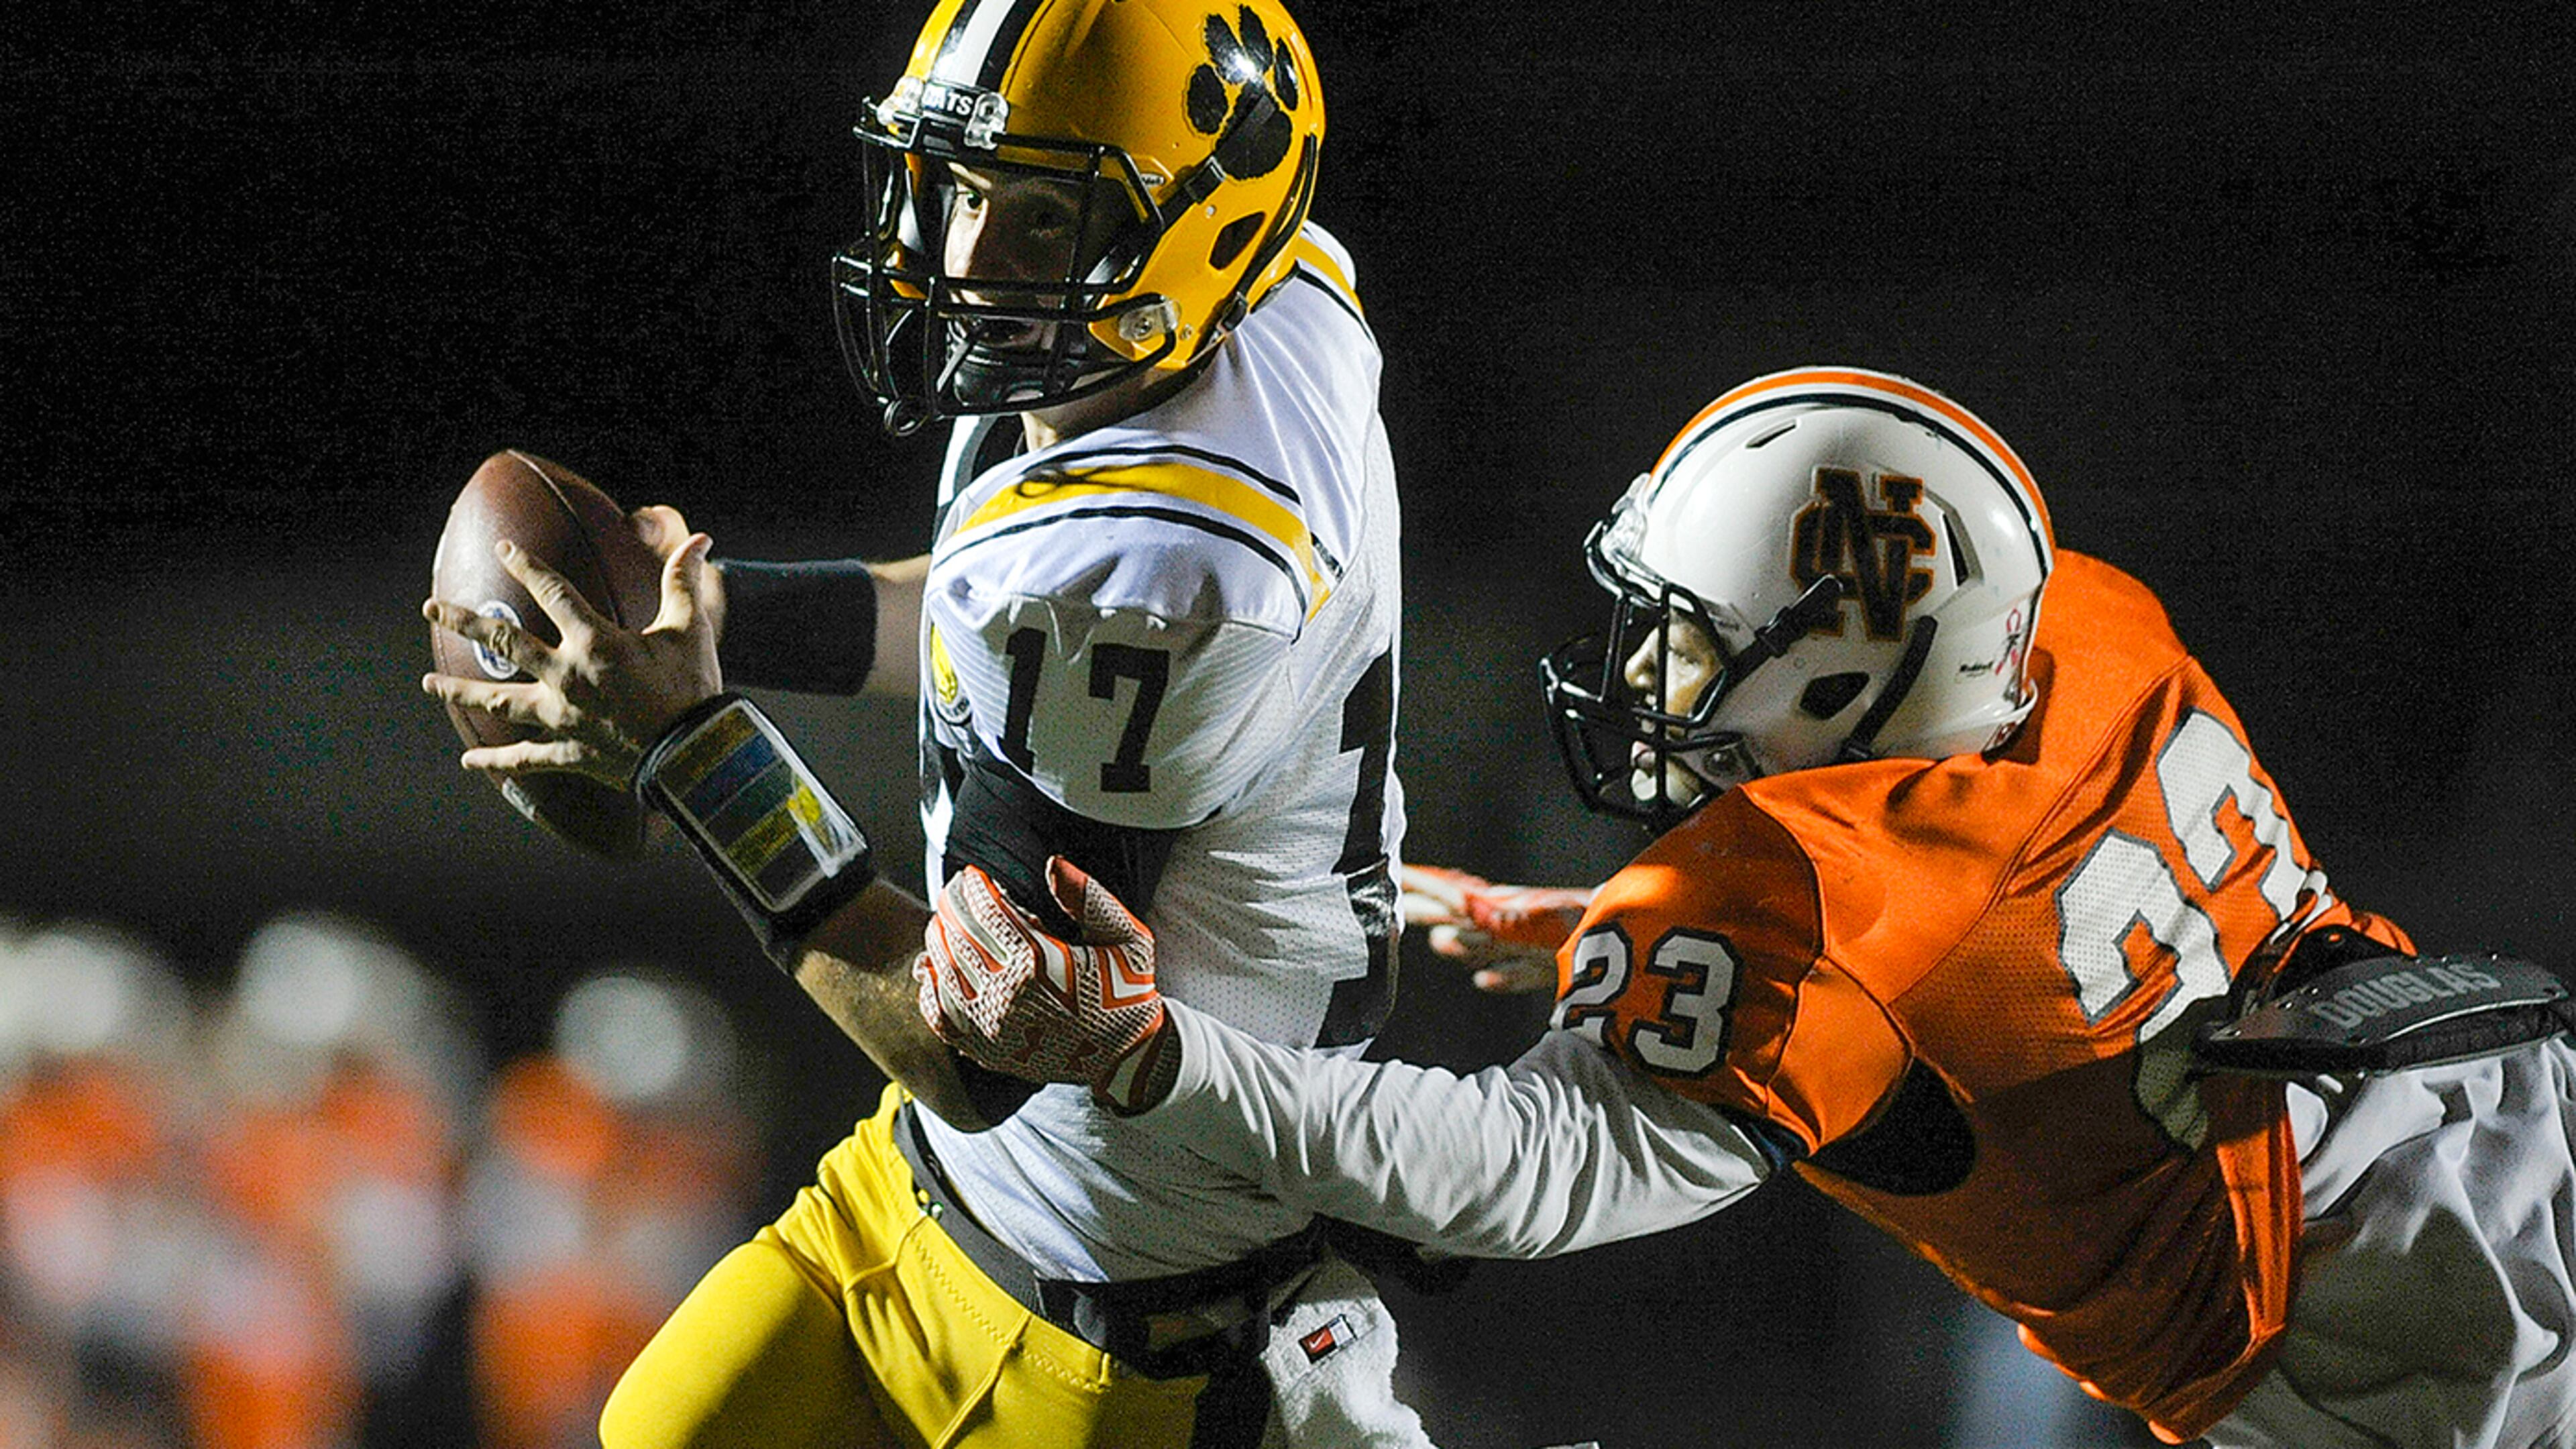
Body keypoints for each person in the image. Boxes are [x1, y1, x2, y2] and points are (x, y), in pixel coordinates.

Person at [918, 365, 2576, 1449]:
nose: (1643, 673)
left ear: (1858, 678)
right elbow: (1999, 923)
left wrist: (1151, 1056)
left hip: (2366, 1357)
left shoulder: (1796, 889)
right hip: (2484, 1130)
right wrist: (1597, 929)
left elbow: (1525, 1173)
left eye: (1696, 641)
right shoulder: (2076, 625)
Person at [422, 0, 1435, 1444]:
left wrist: (695, 752)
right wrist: (708, 625)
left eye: (1037, 218)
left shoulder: (1169, 566)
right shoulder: (1237, 318)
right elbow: (978, 614)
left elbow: (980, 1057)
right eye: (960, 189)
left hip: (1142, 1327)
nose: (963, 259)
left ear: (1205, 232)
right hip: (926, 1203)